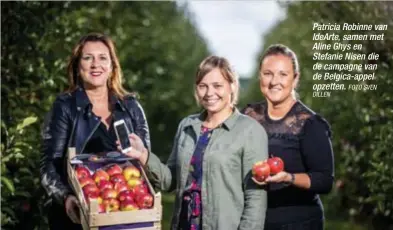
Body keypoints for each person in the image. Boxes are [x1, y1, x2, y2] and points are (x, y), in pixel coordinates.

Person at [122, 56, 269, 230]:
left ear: (232, 86)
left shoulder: (250, 130)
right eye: (203, 86)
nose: (209, 93)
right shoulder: (187, 126)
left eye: (217, 86)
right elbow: (170, 181)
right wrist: (144, 156)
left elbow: (256, 198)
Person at [40, 33, 151, 229]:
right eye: (87, 57)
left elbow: (147, 163)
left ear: (112, 66)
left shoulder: (131, 107)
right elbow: (49, 166)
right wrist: (66, 197)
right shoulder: (65, 107)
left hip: (126, 214)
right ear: (77, 65)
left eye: (102, 58)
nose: (95, 64)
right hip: (77, 217)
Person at [241, 44, 334, 230]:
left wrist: (288, 178)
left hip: (298, 222)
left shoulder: (309, 124)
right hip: (254, 220)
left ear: (295, 79)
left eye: (283, 74)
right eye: (268, 73)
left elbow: (324, 180)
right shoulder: (248, 116)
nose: (274, 81)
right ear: (260, 76)